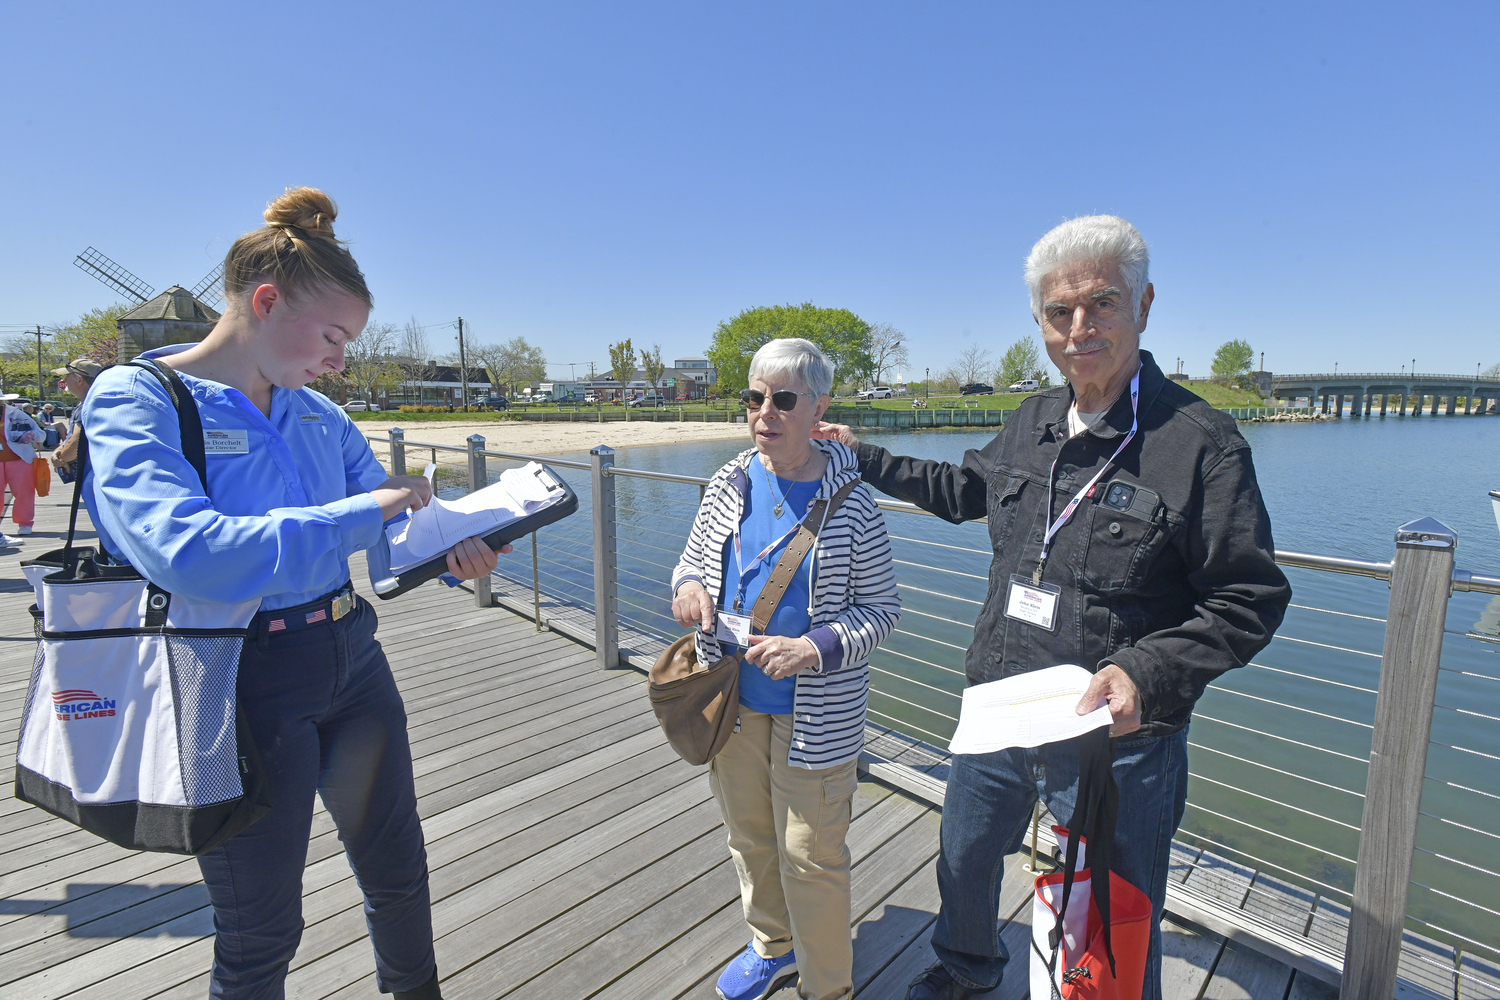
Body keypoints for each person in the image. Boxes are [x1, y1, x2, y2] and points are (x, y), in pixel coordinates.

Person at [813, 216, 1291, 1000]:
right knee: (964, 856)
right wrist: (862, 457)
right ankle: (968, 972)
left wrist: (1147, 669)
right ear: (1040, 324)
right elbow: (962, 491)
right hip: (1002, 700)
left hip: (1116, 733)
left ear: (1143, 305)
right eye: (1058, 313)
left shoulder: (1201, 443)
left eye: (1101, 303)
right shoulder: (1031, 420)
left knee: (1112, 903)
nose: (1079, 328)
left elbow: (1251, 595)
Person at [80, 187, 505, 1000]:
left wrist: (451, 545)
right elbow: (187, 554)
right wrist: (367, 509)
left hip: (350, 657)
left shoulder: (317, 413)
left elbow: (382, 537)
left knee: (398, 872)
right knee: (261, 927)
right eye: (334, 336)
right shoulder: (140, 400)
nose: (341, 359)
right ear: (266, 302)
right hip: (234, 678)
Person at [672, 338, 901, 1000]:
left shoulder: (855, 505)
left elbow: (882, 610)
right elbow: (690, 563)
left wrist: (815, 647)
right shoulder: (728, 481)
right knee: (749, 840)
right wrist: (690, 589)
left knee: (811, 859)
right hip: (733, 704)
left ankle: (828, 988)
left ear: (819, 407)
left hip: (817, 716)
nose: (764, 412)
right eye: (754, 397)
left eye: (784, 399)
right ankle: (773, 947)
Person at [0, 393, 45, 535]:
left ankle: (25, 523)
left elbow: (40, 434)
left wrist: (31, 435)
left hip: (20, 460)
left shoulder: (16, 413)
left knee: (24, 492)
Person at [51, 359, 104, 475]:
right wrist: (60, 449)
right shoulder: (89, 403)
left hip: (92, 475)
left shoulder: (89, 405)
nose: (64, 379)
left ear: (79, 379)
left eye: (67, 376)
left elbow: (75, 444)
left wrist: (61, 459)